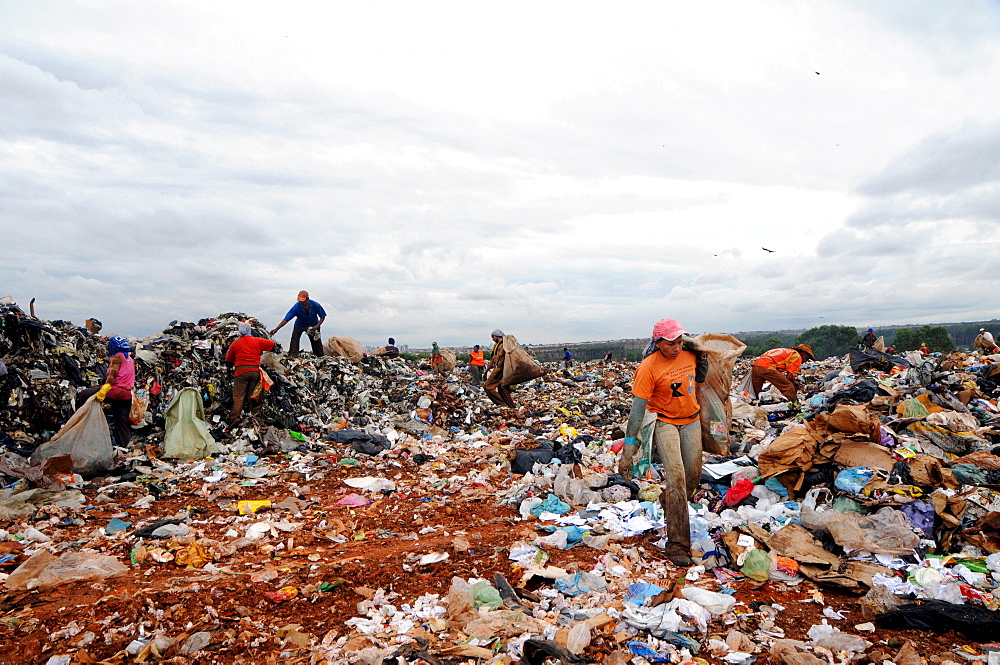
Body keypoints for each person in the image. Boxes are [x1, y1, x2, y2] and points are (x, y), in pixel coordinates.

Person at [617, 319, 709, 566]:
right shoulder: (648, 368)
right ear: (658, 343)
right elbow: (637, 412)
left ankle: (669, 501)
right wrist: (628, 449)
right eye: (671, 344)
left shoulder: (689, 354)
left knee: (692, 477)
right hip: (665, 422)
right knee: (676, 479)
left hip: (691, 421)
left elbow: (700, 377)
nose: (677, 348)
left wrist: (702, 355)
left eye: (680, 342)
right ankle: (677, 544)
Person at [78, 335, 135, 446]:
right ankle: (125, 446)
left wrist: (105, 389)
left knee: (84, 394)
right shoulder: (130, 359)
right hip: (128, 394)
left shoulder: (117, 357)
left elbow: (112, 375)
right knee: (121, 420)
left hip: (115, 391)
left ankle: (84, 422)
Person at [225, 322, 276, 426]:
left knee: (238, 396)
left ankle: (235, 418)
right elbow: (272, 345)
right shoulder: (257, 341)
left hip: (241, 372)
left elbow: (228, 359)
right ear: (249, 330)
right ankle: (253, 415)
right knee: (252, 394)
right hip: (254, 371)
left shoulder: (235, 343)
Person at [750, 344, 815, 403]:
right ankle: (794, 405)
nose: (806, 361)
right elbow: (789, 377)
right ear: (804, 354)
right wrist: (794, 384)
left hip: (756, 366)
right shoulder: (797, 356)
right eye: (807, 358)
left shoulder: (788, 351)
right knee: (788, 386)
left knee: (756, 390)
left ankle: (754, 404)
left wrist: (793, 381)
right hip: (767, 366)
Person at [269, 290, 326, 357]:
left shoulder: (315, 305)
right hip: (300, 325)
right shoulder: (296, 307)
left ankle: (320, 356)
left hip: (313, 325)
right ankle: (293, 356)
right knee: (294, 340)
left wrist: (317, 326)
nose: (301, 303)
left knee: (316, 342)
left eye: (303, 301)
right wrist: (276, 329)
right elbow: (286, 319)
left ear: (307, 299)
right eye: (300, 301)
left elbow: (322, 317)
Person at [483, 329, 516, 409]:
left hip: (501, 369)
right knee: (502, 389)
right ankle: (512, 406)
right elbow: (493, 359)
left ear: (497, 336)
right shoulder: (496, 346)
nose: (492, 339)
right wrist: (487, 370)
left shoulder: (505, 345)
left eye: (493, 337)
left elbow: (502, 354)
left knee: (487, 386)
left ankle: (502, 403)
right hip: (498, 368)